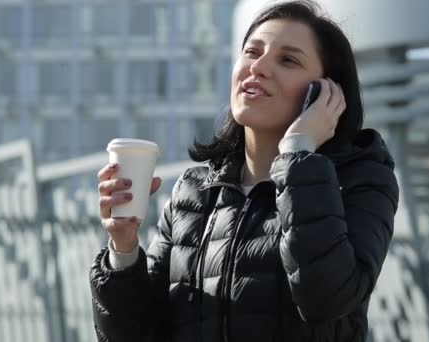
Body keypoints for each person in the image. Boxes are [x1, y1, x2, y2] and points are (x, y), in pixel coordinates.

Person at [90, 1, 399, 341]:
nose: (259, 67)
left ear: (326, 93)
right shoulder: (193, 192)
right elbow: (135, 335)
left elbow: (327, 300)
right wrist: (122, 246)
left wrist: (298, 150)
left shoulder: (359, 181)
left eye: (288, 60)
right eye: (252, 52)